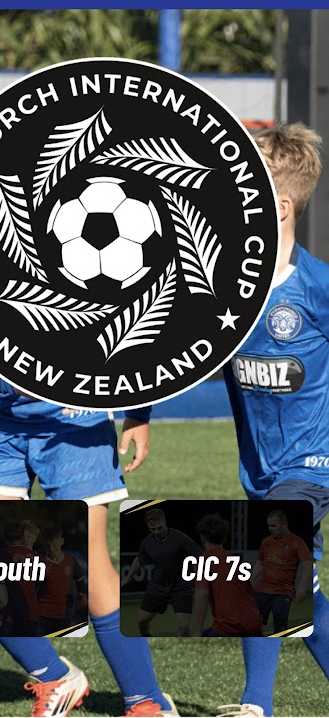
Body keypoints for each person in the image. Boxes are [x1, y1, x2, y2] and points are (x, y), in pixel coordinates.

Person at [0, 127, 177, 718]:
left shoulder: (61, 224)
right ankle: (55, 677)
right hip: (2, 425)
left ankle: (145, 700)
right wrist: (29, 374)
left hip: (75, 427)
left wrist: (137, 409)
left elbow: (143, 321)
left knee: (89, 561)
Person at [222, 124, 329, 717]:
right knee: (298, 591)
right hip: (260, 467)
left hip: (314, 463)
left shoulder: (317, 287)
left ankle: (254, 706)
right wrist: (138, 413)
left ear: (280, 207)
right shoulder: (221, 288)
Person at [121, 507, 202, 637]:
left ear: (164, 522)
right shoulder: (147, 542)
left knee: (184, 627)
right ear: (148, 526)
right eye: (152, 529)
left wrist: (199, 580)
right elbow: (139, 560)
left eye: (159, 528)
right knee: (142, 622)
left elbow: (199, 556)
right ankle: (147, 640)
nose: (156, 532)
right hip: (157, 587)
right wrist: (127, 578)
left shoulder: (180, 537)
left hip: (181, 587)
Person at [193, 513, 263, 638]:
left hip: (228, 627)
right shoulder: (235, 560)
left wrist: (197, 631)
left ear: (202, 538)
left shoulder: (204, 560)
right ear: (225, 538)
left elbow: (202, 594)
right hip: (254, 624)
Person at [250, 510, 312, 634]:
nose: (271, 529)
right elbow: (260, 563)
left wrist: (302, 586)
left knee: (280, 627)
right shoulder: (266, 542)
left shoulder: (297, 542)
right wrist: (250, 581)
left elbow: (308, 565)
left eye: (274, 526)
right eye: (269, 526)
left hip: (283, 592)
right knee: (251, 625)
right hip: (262, 590)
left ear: (284, 523)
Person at [38, 522, 88, 634]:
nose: (51, 549)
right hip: (42, 616)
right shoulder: (39, 562)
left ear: (62, 541)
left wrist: (83, 595)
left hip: (64, 615)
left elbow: (80, 582)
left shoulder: (71, 561)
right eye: (48, 545)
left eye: (54, 545)